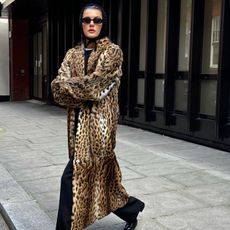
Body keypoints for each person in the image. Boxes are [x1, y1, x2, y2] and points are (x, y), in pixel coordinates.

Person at [51, 3, 145, 230]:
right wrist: (79, 90)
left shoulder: (112, 52)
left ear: (104, 23)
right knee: (103, 183)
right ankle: (132, 209)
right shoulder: (72, 54)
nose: (91, 24)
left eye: (97, 20)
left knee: (70, 180)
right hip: (76, 131)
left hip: (100, 132)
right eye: (87, 20)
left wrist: (72, 87)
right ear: (81, 23)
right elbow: (56, 89)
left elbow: (95, 88)